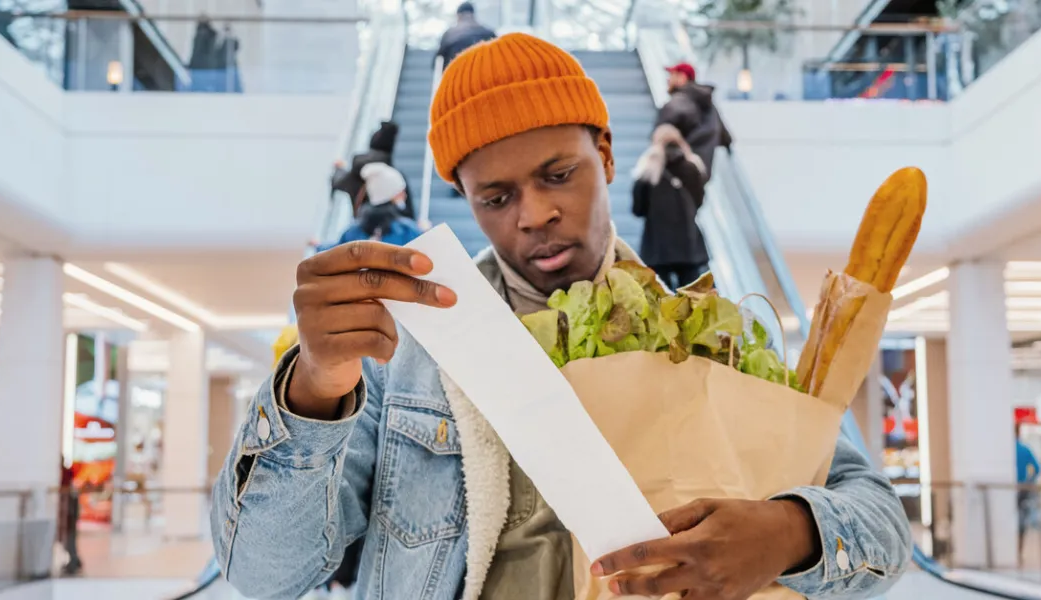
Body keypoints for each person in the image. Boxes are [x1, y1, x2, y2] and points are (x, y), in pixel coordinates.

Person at [212, 33, 910, 600]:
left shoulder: (707, 328)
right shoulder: (406, 351)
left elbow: (880, 518)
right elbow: (263, 575)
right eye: (495, 197)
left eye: (557, 174)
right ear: (465, 198)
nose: (535, 214)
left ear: (604, 156)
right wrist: (313, 386)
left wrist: (790, 533)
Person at [631, 123, 709, 290]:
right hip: (688, 244)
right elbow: (699, 202)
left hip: (657, 246)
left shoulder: (648, 169)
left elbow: (638, 209)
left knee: (660, 298)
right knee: (693, 299)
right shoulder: (693, 167)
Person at [657, 62, 733, 179]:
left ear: (682, 78)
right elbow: (725, 137)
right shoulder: (709, 106)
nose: (668, 80)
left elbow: (661, 135)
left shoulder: (676, 104)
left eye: (672, 75)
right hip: (701, 172)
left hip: (677, 173)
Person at [331, 122, 416, 221]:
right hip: (389, 231)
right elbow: (408, 214)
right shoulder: (394, 176)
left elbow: (339, 181)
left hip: (362, 226)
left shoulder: (357, 173)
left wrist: (339, 169)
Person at [435, 2, 497, 69]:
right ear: (473, 15)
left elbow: (439, 59)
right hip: (483, 75)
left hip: (456, 75)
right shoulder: (489, 33)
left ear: (458, 16)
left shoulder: (449, 34)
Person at [1016, 427, 1041, 560]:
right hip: (1022, 489)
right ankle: (1019, 551)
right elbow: (1037, 468)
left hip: (1009, 491)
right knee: (1021, 521)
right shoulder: (1024, 449)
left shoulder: (1004, 451)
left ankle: (1009, 549)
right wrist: (1029, 481)